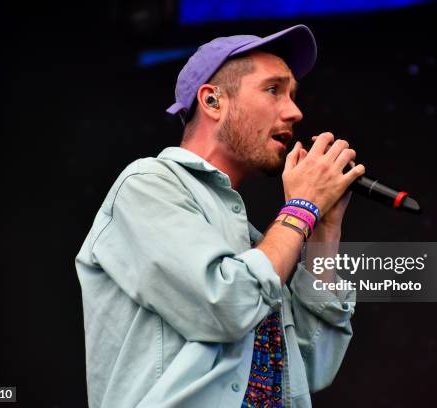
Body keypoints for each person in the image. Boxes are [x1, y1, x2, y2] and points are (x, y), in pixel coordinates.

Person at [76, 24, 365, 407]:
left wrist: (325, 226)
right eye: (274, 90)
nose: (295, 112)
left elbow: (313, 367)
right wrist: (301, 208)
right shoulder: (146, 186)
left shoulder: (255, 243)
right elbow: (226, 306)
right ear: (213, 102)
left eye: (293, 95)